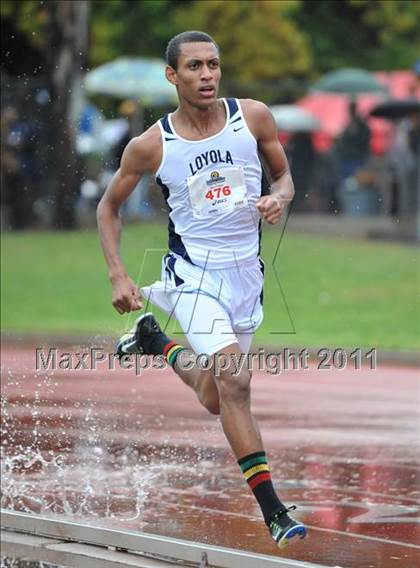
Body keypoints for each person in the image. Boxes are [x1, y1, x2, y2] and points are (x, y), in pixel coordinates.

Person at [97, 31, 307, 549]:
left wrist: (278, 199)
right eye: (194, 66)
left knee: (217, 397)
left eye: (213, 64)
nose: (208, 75)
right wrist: (119, 274)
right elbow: (108, 208)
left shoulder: (253, 117)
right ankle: (275, 512)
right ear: (173, 76)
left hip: (246, 278)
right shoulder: (150, 145)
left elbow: (284, 179)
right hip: (192, 277)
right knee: (236, 383)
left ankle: (155, 342)